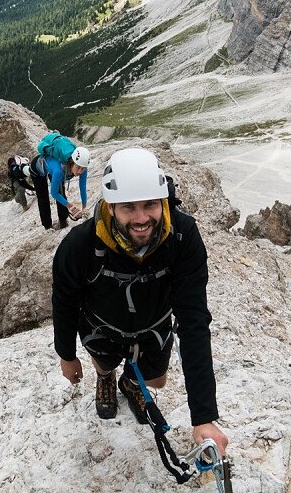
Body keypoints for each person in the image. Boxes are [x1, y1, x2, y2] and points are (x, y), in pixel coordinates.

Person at [51, 148, 228, 456]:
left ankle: (131, 382)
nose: (141, 218)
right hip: (101, 327)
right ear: (111, 206)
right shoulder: (81, 245)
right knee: (105, 362)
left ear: (163, 201)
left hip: (153, 327)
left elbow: (194, 320)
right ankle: (106, 376)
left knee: (156, 381)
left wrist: (204, 417)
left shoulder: (182, 237)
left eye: (150, 205)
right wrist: (67, 355)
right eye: (128, 207)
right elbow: (64, 301)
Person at [32, 146, 90, 230]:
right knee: (43, 197)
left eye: (82, 169)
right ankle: (47, 226)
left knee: (61, 191)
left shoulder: (82, 167)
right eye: (78, 168)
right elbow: (54, 193)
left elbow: (83, 186)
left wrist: (84, 207)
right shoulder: (59, 170)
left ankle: (63, 221)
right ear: (71, 162)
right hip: (37, 168)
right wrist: (70, 207)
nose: (80, 171)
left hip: (52, 167)